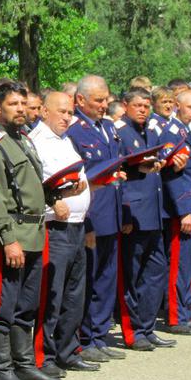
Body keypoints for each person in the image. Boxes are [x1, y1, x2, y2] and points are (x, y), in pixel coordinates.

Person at [0, 81, 61, 380]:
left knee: (26, 305)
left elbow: (29, 186)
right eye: (13, 104)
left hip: (34, 233)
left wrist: (59, 193)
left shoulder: (23, 140)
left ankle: (25, 365)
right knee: (3, 304)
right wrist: (8, 238)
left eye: (23, 104)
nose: (21, 110)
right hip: (11, 235)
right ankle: (2, 370)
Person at [29, 92, 96, 376]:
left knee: (73, 293)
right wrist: (52, 201)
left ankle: (68, 349)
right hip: (53, 227)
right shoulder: (36, 142)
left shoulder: (66, 140)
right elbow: (33, 184)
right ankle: (43, 355)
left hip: (77, 225)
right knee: (51, 294)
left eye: (70, 113)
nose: (67, 117)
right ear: (44, 111)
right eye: (62, 112)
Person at [66, 75, 127, 363]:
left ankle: (99, 335)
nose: (105, 105)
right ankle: (85, 337)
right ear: (81, 100)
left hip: (111, 213)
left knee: (106, 279)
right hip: (91, 216)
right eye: (98, 100)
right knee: (88, 280)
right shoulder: (75, 131)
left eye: (106, 99)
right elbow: (78, 178)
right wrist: (87, 223)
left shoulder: (106, 127)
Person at [116, 88, 176, 350]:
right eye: (137, 105)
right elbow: (118, 170)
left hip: (153, 214)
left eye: (145, 105)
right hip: (135, 213)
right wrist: (125, 212)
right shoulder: (121, 133)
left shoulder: (151, 132)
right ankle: (133, 332)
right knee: (132, 273)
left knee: (156, 270)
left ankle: (147, 326)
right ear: (126, 106)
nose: (142, 109)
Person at [159, 89, 191, 334]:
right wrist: (184, 210)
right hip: (181, 210)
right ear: (177, 106)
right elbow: (170, 175)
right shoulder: (172, 132)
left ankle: (186, 312)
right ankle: (176, 316)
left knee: (189, 264)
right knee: (178, 264)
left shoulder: (187, 131)